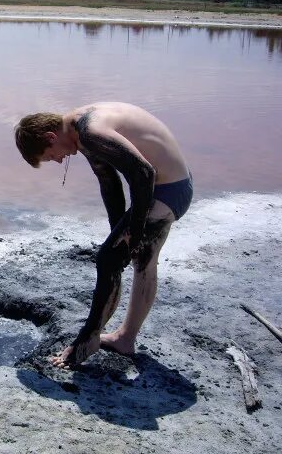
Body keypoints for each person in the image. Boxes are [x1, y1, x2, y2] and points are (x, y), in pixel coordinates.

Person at [14, 102, 192, 368]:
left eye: (51, 156)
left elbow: (143, 173)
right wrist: (117, 230)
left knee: (108, 261)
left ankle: (88, 339)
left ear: (51, 137)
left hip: (166, 190)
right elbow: (109, 182)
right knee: (141, 262)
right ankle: (125, 339)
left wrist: (133, 228)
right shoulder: (80, 132)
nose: (60, 160)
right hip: (172, 186)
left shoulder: (91, 131)